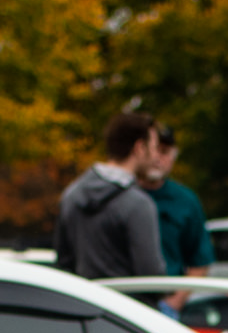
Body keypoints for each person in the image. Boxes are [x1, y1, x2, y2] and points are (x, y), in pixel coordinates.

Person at [54, 113, 167, 280]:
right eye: (154, 148)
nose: (156, 157)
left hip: (81, 295)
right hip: (125, 297)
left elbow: (64, 264)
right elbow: (151, 275)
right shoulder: (138, 204)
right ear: (139, 148)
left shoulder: (71, 195)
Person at [138, 125, 212, 278]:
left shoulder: (186, 201)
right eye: (152, 150)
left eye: (164, 152)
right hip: (122, 290)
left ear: (174, 156)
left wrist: (177, 294)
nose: (157, 158)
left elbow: (200, 262)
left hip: (167, 288)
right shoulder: (118, 195)